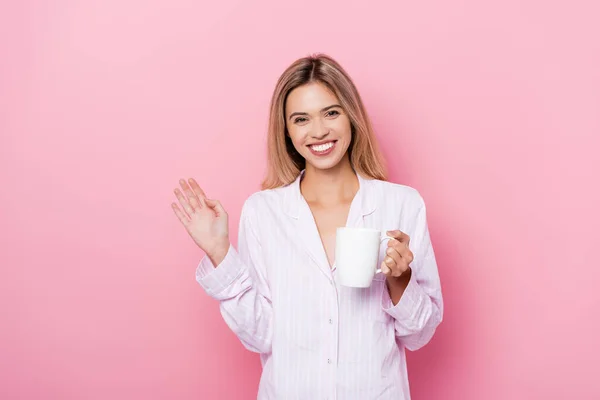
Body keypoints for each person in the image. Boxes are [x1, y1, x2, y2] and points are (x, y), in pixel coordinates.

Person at [171, 54, 443, 399]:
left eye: (331, 112)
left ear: (351, 116)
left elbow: (419, 335)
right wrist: (220, 254)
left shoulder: (402, 204)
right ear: (286, 130)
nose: (318, 131)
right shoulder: (263, 212)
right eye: (301, 119)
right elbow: (261, 335)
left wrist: (400, 278)